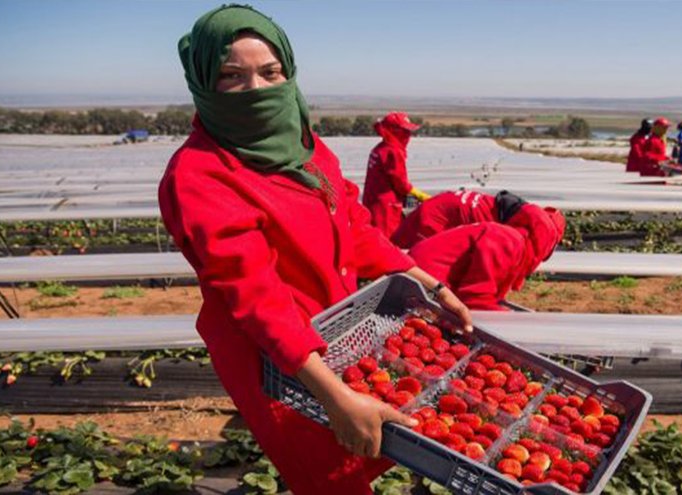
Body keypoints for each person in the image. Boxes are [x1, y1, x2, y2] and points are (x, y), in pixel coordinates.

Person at [157, 6, 472, 494]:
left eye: (270, 72)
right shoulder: (198, 176)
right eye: (232, 76)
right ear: (202, 81)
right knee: (328, 479)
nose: (257, 90)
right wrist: (333, 395)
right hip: (280, 363)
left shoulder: (304, 145)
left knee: (363, 455)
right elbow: (255, 297)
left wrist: (430, 284)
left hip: (339, 331)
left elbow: (355, 225)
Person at [409, 207, 565, 310]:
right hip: (423, 286)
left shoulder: (511, 238)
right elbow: (475, 297)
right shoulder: (508, 241)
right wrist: (513, 325)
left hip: (425, 280)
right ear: (546, 243)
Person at [362, 112, 431, 237]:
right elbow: (401, 183)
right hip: (385, 207)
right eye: (405, 131)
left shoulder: (380, 148)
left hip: (373, 202)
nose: (408, 135)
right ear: (394, 131)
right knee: (387, 240)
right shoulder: (393, 151)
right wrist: (419, 195)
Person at [391, 189, 526, 248]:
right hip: (432, 220)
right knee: (418, 259)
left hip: (435, 208)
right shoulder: (487, 219)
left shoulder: (489, 203)